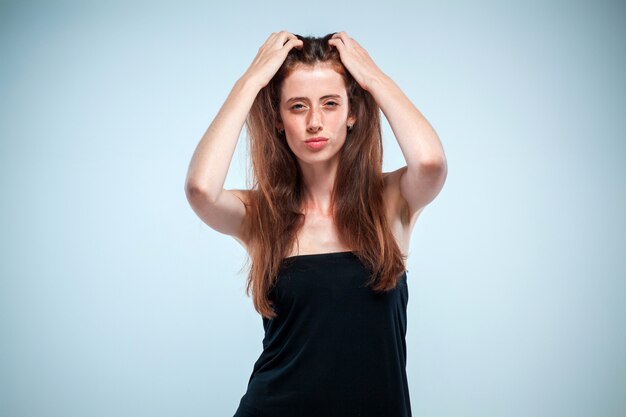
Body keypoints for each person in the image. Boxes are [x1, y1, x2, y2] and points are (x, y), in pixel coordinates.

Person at [185, 30, 447, 417]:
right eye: (297, 106)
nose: (314, 122)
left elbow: (430, 163)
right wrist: (251, 81)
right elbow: (201, 190)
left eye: (330, 103)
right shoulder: (264, 215)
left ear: (352, 111)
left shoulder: (391, 201)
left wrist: (373, 78)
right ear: (278, 118)